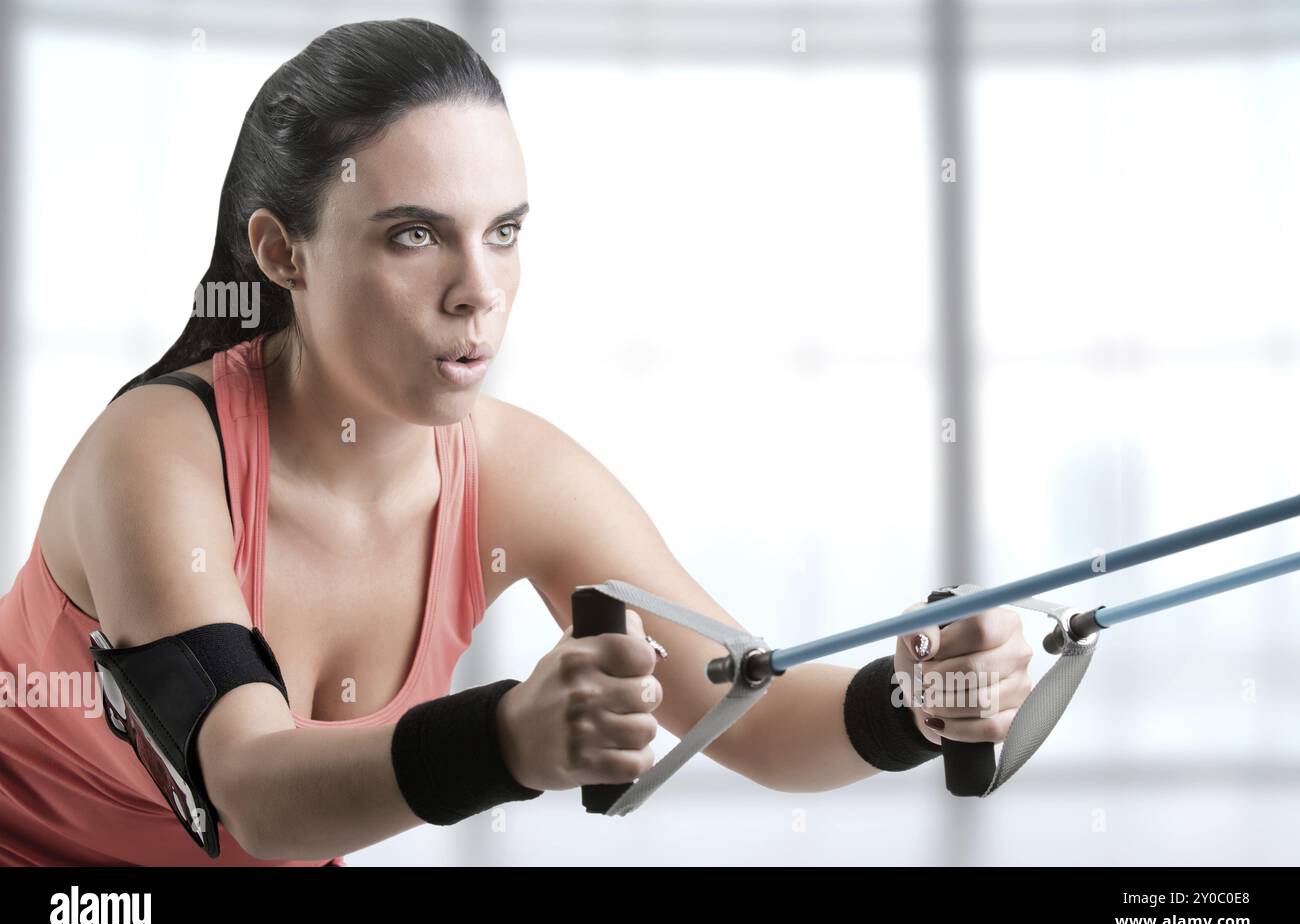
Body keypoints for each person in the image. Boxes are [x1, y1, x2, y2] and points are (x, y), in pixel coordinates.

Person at [0, 18, 1031, 866]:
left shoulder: (513, 473)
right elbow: (250, 793)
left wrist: (917, 699)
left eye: (502, 231)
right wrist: (505, 738)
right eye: (414, 234)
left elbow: (749, 713)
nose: (477, 292)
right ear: (281, 252)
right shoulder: (159, 453)